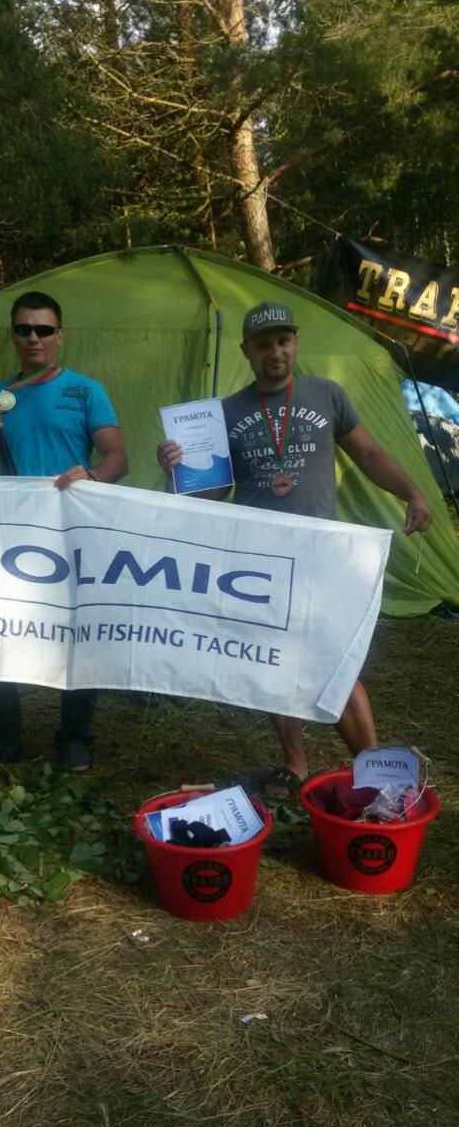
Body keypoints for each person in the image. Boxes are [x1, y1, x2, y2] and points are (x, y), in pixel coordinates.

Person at [157, 300, 433, 799]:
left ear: (296, 343)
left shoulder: (327, 395)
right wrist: (175, 470)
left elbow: (369, 452)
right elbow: (210, 494)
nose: (275, 352)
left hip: (319, 555)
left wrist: (412, 493)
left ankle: (375, 769)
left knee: (336, 660)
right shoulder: (226, 412)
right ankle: (295, 764)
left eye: (283, 341)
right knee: (272, 660)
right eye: (263, 345)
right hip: (257, 557)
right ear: (246, 351)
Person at [0, 289, 128, 773]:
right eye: (24, 329)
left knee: (78, 632)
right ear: (13, 336)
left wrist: (91, 477)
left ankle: (74, 737)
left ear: (59, 336)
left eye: (44, 329)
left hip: (71, 530)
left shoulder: (85, 391)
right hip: (8, 532)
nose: (34, 338)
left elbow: (118, 458)